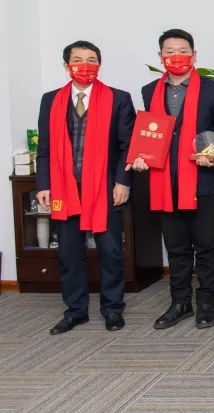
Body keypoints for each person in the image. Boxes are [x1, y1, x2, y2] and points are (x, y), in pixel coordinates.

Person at [130, 29, 214, 330]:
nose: (176, 57)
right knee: (176, 247)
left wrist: (213, 151)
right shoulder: (149, 91)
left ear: (194, 55)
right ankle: (180, 302)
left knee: (207, 246)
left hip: (202, 179)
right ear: (160, 56)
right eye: (170, 51)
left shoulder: (212, 90)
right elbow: (149, 133)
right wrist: (141, 156)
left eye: (182, 51)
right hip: (165, 182)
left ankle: (206, 303)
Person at [35, 41, 135, 334]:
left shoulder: (118, 98)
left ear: (99, 65)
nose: (85, 65)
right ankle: (75, 310)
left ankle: (112, 309)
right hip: (65, 188)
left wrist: (123, 181)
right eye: (78, 59)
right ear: (66, 65)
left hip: (104, 187)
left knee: (111, 251)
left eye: (91, 59)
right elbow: (44, 148)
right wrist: (44, 184)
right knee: (68, 253)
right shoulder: (50, 100)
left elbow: (127, 145)